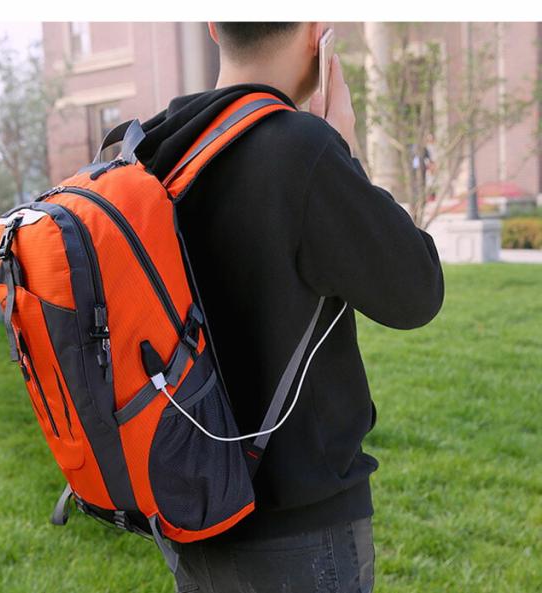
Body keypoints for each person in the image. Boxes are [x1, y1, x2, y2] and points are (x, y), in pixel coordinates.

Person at [135, 22, 444, 593]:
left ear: (213, 27)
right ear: (316, 33)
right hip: (298, 529)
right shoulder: (302, 148)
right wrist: (346, 147)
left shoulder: (152, 148)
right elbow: (417, 292)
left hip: (190, 503)